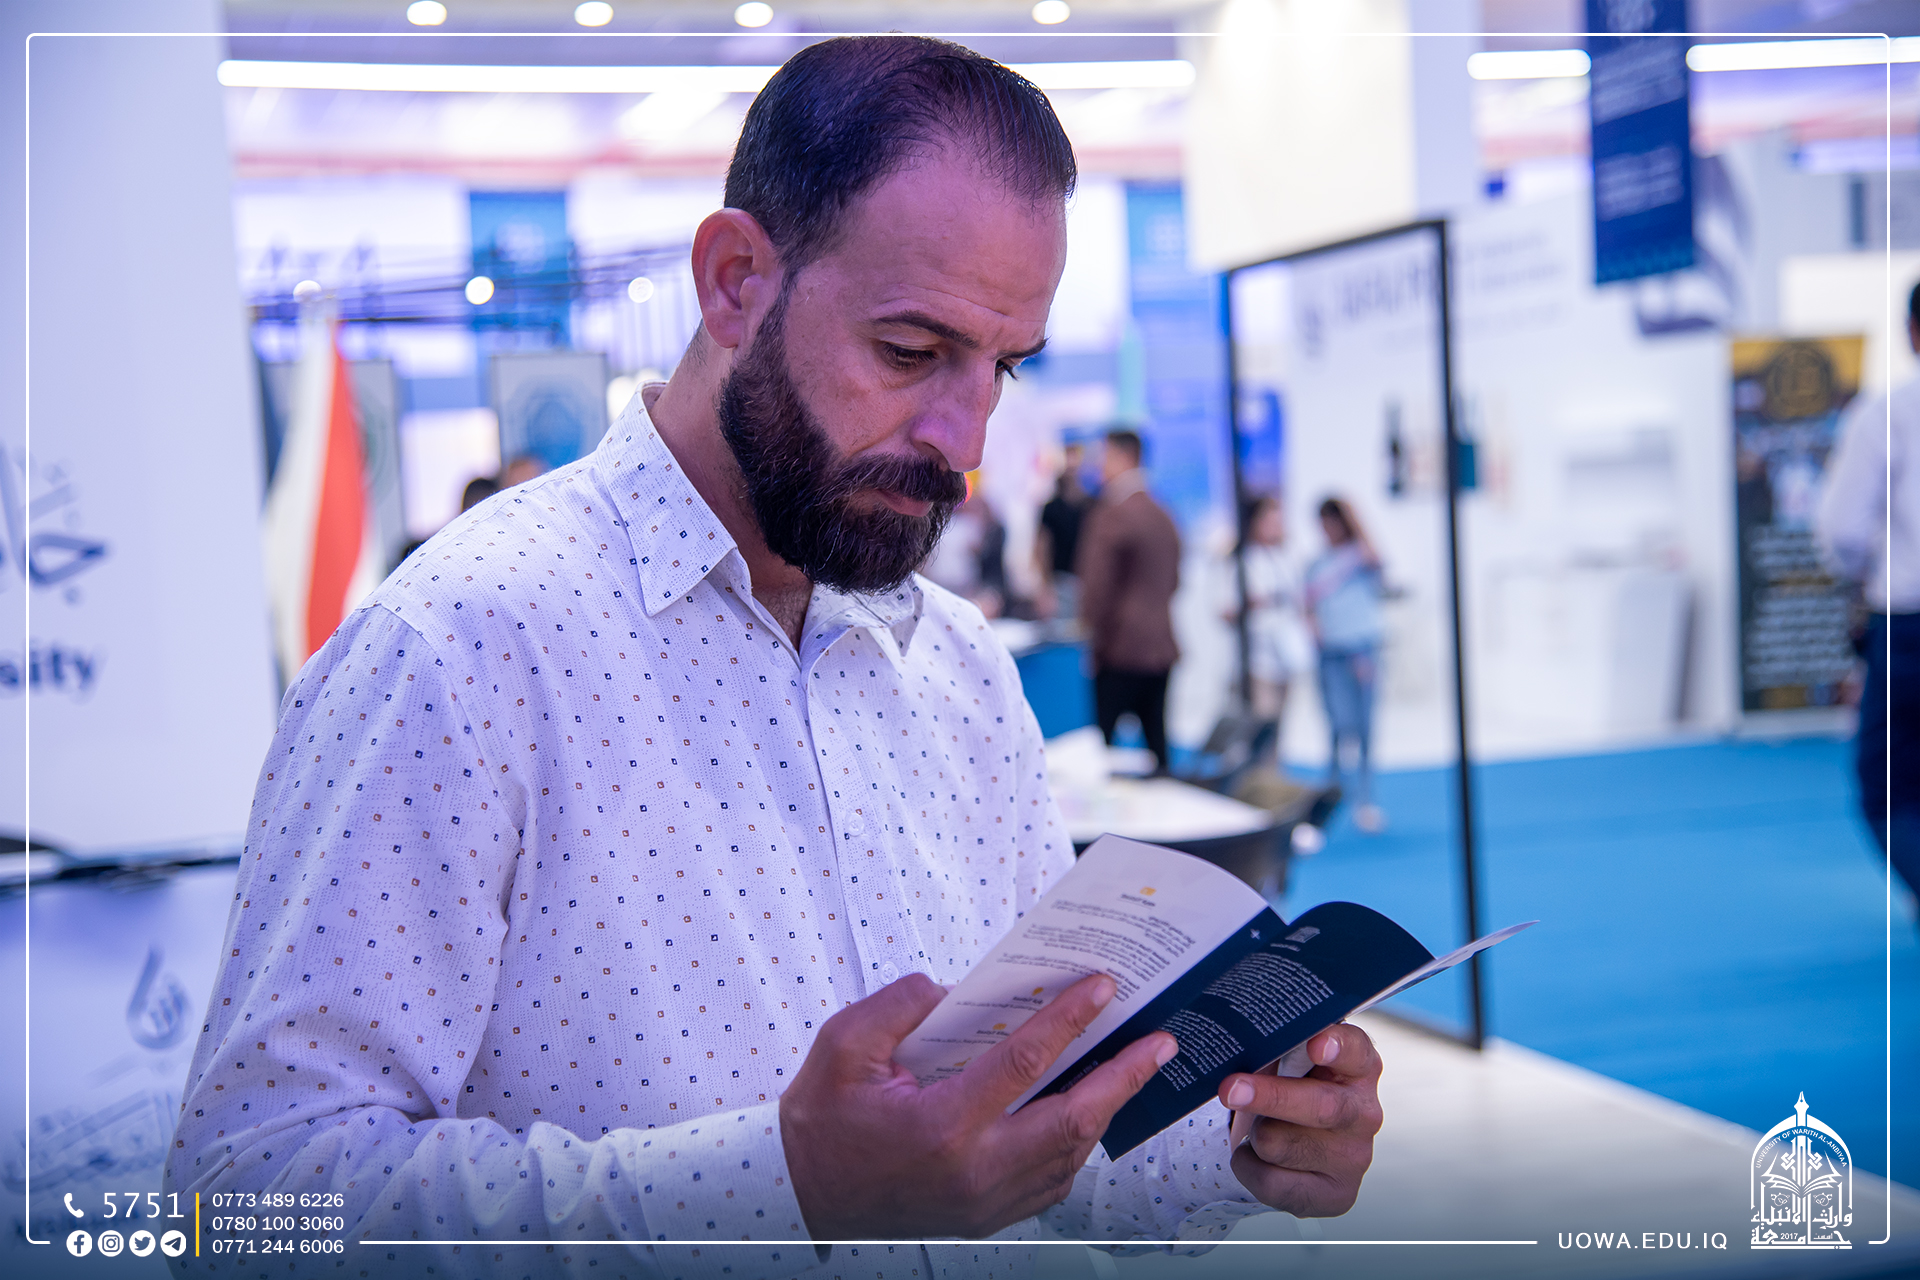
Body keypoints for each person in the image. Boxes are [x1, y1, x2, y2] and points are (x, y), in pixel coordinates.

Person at [163, 36, 1385, 1279]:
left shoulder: (956, 666)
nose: (964, 441)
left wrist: (1245, 1137)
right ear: (736, 281)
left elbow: (1044, 1134)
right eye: (909, 352)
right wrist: (784, 1186)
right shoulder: (460, 650)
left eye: (1004, 366)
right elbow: (244, 1204)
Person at [1816, 282, 1920, 905]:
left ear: (1912, 332)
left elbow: (1844, 530)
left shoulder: (1889, 414)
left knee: (1889, 779)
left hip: (1910, 623)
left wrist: (1865, 571)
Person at [1076, 428, 1182, 775]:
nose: (1099, 466)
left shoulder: (1112, 514)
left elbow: (1097, 589)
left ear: (1123, 457)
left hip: (1119, 648)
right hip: (1160, 645)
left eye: (1103, 457)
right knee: (1157, 743)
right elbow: (1174, 581)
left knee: (1102, 749)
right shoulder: (1163, 514)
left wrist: (1090, 636)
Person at [1304, 496, 1387, 835]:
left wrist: (1355, 518)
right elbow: (1307, 604)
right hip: (1330, 653)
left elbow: (1377, 562)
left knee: (1364, 726)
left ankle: (1365, 799)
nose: (1329, 529)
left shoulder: (1360, 555)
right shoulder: (1316, 564)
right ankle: (1332, 795)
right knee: (1337, 725)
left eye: (1334, 521)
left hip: (1360, 650)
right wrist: (1313, 629)